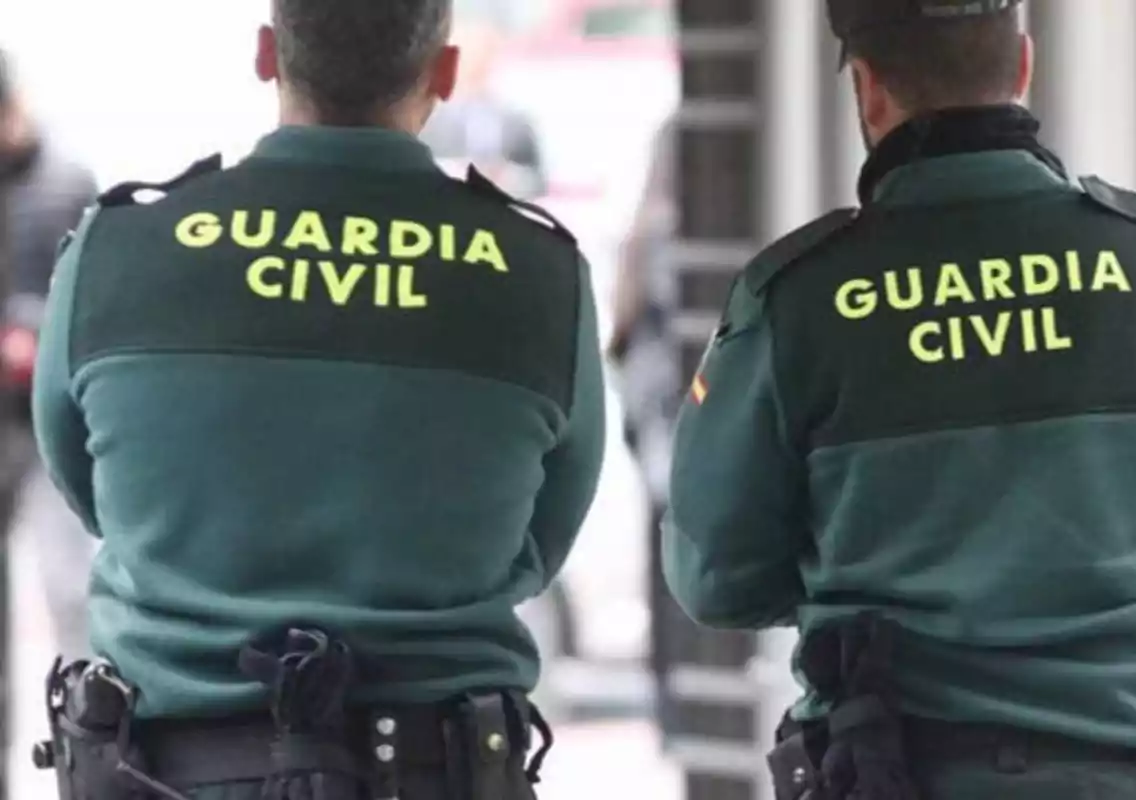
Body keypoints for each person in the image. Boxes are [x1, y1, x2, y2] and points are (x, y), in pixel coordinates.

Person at [30, 0, 605, 797]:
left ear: (267, 54)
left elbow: (90, 492)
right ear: (442, 71)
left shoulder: (119, 249)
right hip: (437, 770)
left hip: (167, 770)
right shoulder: (537, 273)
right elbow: (542, 541)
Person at [663, 1, 1136, 798]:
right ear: (1022, 64)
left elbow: (718, 578)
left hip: (902, 768)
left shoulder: (801, 297)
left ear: (869, 90)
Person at [0, 50, 99, 666]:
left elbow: (89, 297)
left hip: (50, 416)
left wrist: (31, 330)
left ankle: (84, 738)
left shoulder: (67, 184)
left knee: (69, 590)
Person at [606, 115, 683, 746]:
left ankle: (671, 707)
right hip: (677, 426)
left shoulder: (644, 245)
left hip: (658, 427)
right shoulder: (668, 248)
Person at [421, 18, 547, 199]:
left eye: (483, 54)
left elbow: (537, 180)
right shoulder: (430, 119)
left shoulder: (515, 122)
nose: (476, 62)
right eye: (469, 54)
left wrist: (509, 178)